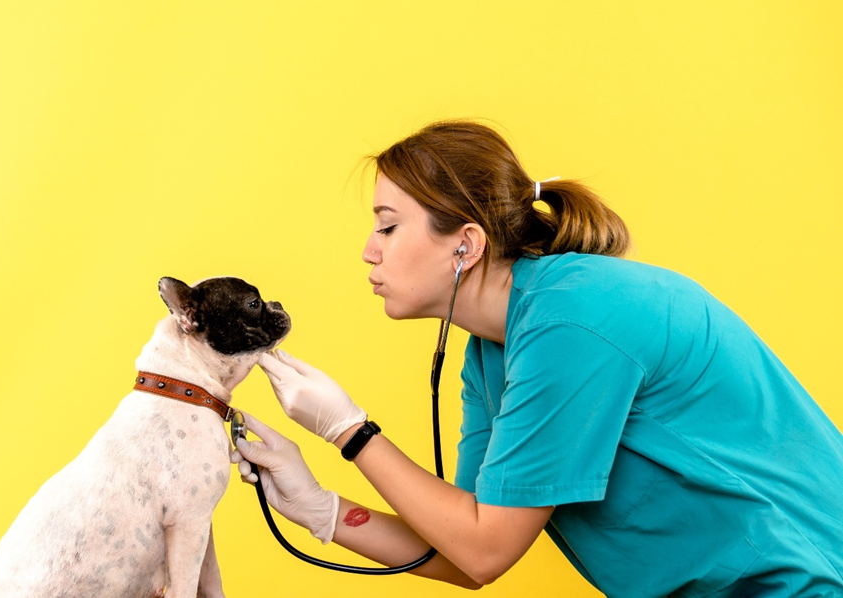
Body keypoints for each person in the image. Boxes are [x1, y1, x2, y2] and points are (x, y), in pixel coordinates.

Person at [231, 120, 843, 596]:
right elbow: (463, 549)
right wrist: (324, 510)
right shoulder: (491, 357)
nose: (368, 251)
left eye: (387, 227)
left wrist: (350, 431)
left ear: (465, 245)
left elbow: (484, 548)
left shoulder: (573, 318)